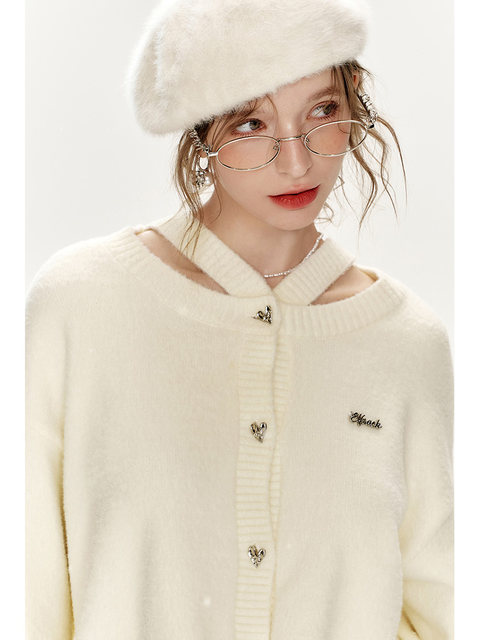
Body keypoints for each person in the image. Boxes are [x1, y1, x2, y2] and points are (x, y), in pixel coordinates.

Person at [25, 1, 454, 639]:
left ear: (355, 101)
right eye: (251, 122)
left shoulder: (406, 343)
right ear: (201, 133)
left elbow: (442, 613)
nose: (296, 161)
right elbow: (28, 594)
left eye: (322, 111)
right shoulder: (82, 304)